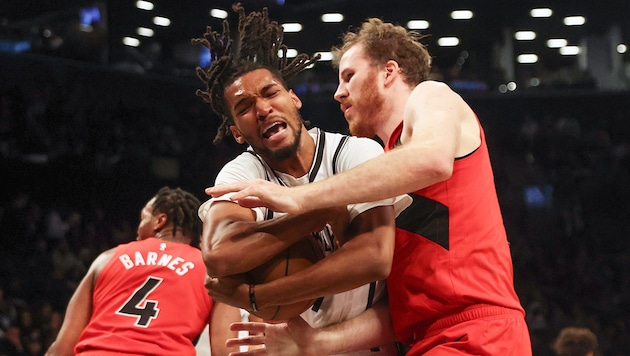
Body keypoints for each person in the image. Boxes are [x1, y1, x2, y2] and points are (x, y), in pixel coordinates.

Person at [208, 17, 533, 355]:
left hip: (476, 331)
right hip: (428, 338)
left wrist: (298, 197)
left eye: (349, 75)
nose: (338, 92)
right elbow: (399, 313)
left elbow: (432, 160)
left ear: (389, 71)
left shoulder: (431, 97)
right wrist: (313, 342)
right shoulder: (386, 169)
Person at [192, 4, 409, 355]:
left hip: (363, 341)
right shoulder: (241, 173)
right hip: (287, 346)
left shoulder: (355, 153)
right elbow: (219, 255)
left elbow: (373, 257)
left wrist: (259, 296)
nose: (262, 109)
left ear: (293, 99)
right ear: (236, 132)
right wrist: (320, 212)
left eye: (270, 93)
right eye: (244, 107)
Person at [44, 187, 243, 356]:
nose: (138, 229)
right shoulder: (214, 270)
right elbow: (225, 350)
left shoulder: (107, 258)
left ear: (159, 221)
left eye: (143, 218)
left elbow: (62, 347)